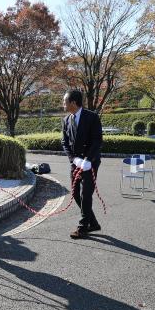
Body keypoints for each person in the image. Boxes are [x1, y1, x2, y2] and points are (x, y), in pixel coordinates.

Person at [61, 89, 103, 239]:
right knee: (74, 193)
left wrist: (88, 160)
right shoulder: (66, 119)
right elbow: (64, 142)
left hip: (90, 163)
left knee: (86, 194)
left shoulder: (92, 117)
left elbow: (97, 140)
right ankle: (93, 223)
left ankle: (83, 227)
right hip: (76, 162)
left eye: (64, 101)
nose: (63, 104)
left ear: (73, 102)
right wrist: (74, 159)